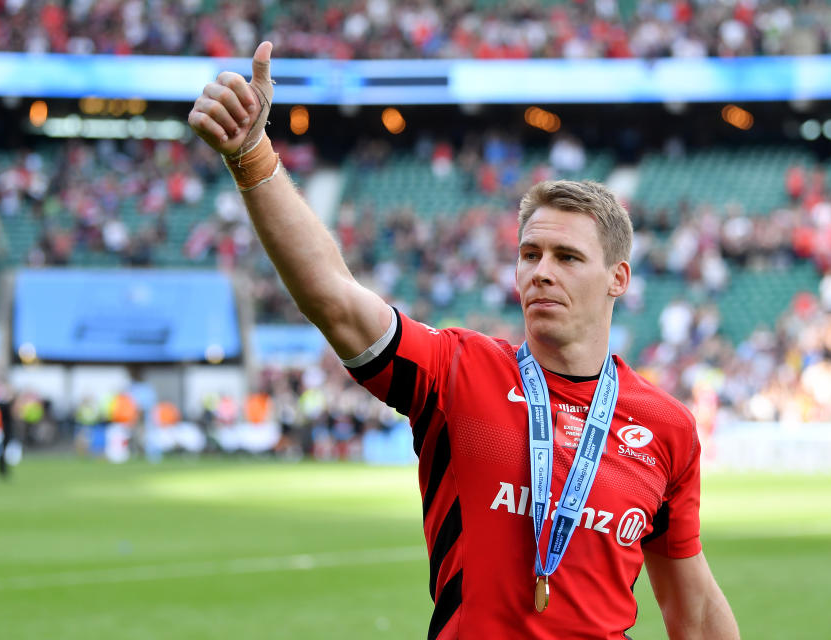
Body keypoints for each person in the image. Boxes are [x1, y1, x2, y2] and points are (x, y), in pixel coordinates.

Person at [188, 42, 739, 640]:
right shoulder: (458, 370)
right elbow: (332, 296)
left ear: (618, 278)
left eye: (567, 256)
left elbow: (695, 608)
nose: (541, 271)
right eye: (530, 254)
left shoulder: (665, 427)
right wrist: (252, 156)